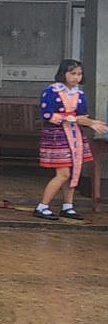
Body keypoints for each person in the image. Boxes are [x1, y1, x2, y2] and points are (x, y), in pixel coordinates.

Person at [34, 59, 107, 220]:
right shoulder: (51, 90)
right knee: (63, 173)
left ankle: (68, 206)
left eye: (79, 74)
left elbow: (82, 115)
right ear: (63, 73)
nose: (76, 77)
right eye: (72, 73)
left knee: (74, 170)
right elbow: (47, 114)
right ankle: (42, 206)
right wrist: (72, 119)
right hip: (56, 135)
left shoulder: (79, 93)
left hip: (75, 135)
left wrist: (92, 123)